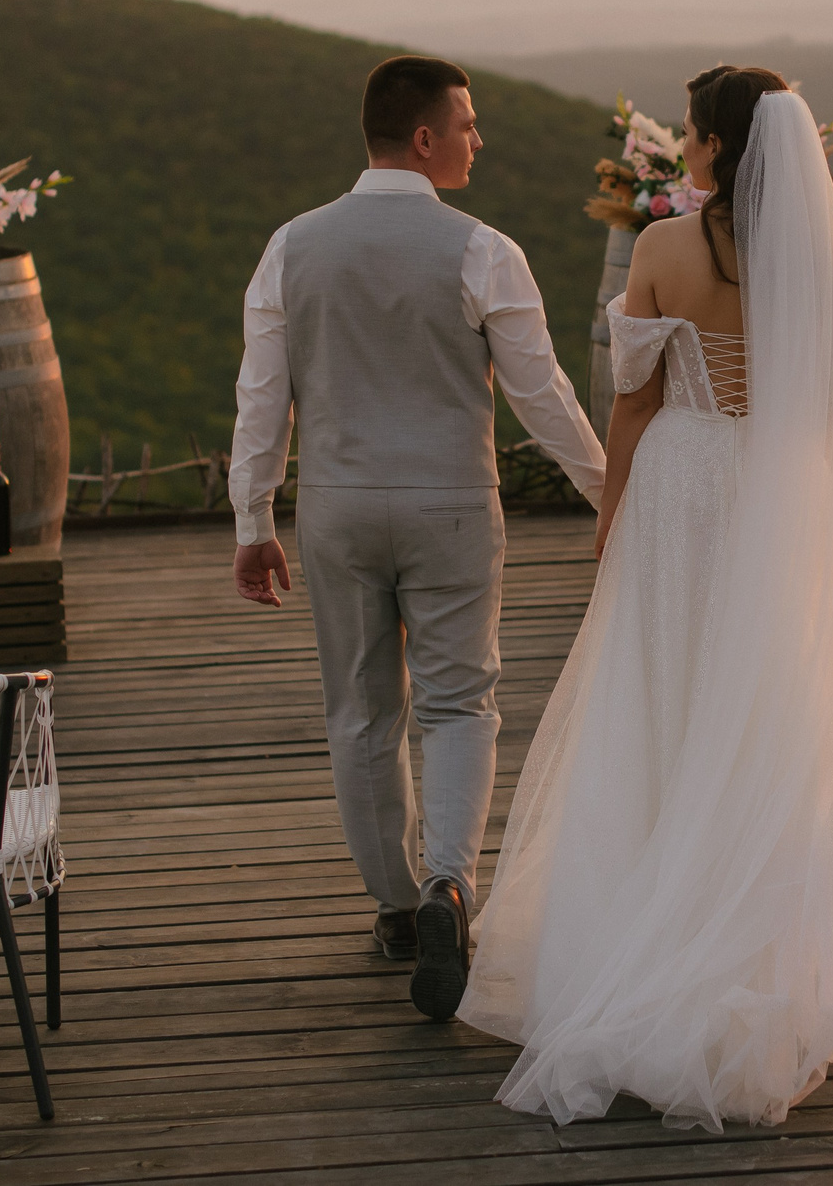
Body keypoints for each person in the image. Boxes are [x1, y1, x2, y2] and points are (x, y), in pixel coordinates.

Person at [457, 67, 833, 1132]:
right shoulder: (824, 261)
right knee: (752, 703)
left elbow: (633, 399)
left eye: (698, 129)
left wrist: (608, 518)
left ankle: (635, 923)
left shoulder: (666, 247)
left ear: (711, 143)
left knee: (658, 693)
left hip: (685, 486)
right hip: (776, 498)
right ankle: (741, 928)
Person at [228, 55, 606, 1022]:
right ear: (426, 139)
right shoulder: (484, 250)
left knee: (361, 711)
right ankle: (449, 886)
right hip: (449, 507)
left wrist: (251, 519)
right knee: (459, 703)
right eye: (469, 123)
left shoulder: (289, 247)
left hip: (339, 510)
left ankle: (398, 911)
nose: (481, 139)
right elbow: (542, 396)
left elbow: (262, 398)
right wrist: (612, 491)